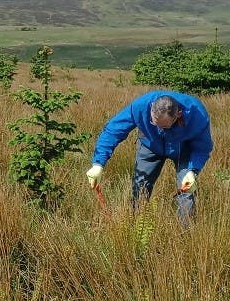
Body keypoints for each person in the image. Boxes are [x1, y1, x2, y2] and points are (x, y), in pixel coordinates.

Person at [86, 90, 213, 222]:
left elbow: (202, 148)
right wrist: (98, 164)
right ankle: (138, 228)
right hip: (149, 144)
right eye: (154, 123)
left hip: (183, 147)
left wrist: (193, 170)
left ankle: (186, 235)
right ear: (151, 108)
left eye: (164, 126)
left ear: (178, 115)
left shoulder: (197, 113)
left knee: (186, 190)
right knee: (140, 186)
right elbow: (113, 131)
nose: (159, 129)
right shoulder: (141, 105)